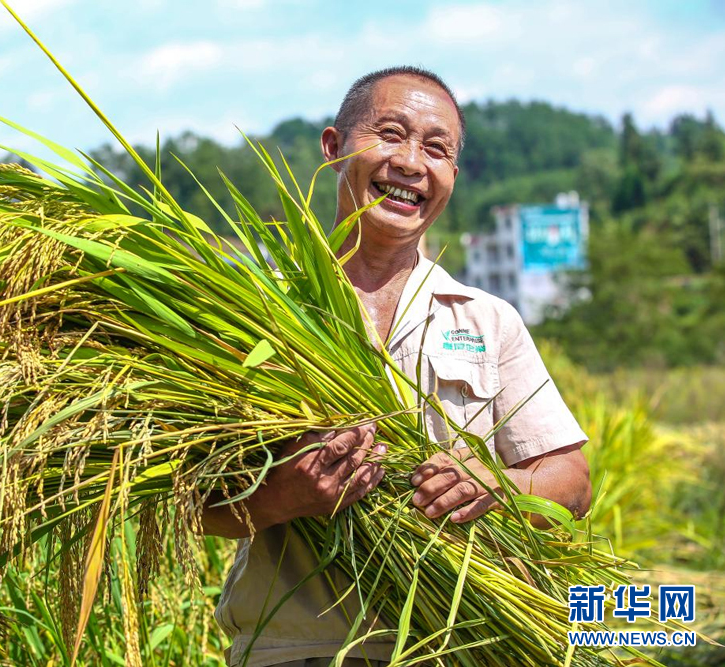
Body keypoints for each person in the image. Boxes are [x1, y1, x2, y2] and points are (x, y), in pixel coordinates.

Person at [202, 66, 592, 667]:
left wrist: (500, 486)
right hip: (294, 651)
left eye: (437, 149)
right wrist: (286, 496)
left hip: (461, 647)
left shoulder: (487, 320)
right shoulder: (255, 314)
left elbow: (571, 480)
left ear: (452, 178)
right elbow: (199, 506)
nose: (412, 163)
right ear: (334, 149)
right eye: (390, 134)